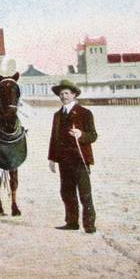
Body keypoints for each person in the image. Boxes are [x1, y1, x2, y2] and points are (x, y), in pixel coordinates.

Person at [47, 79, 99, 234]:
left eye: (66, 93)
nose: (63, 96)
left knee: (84, 193)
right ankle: (71, 222)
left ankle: (89, 226)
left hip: (80, 160)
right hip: (64, 161)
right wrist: (51, 158)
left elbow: (93, 136)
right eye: (61, 94)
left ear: (74, 94)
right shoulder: (57, 115)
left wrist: (81, 134)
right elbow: (54, 138)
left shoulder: (85, 113)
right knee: (67, 192)